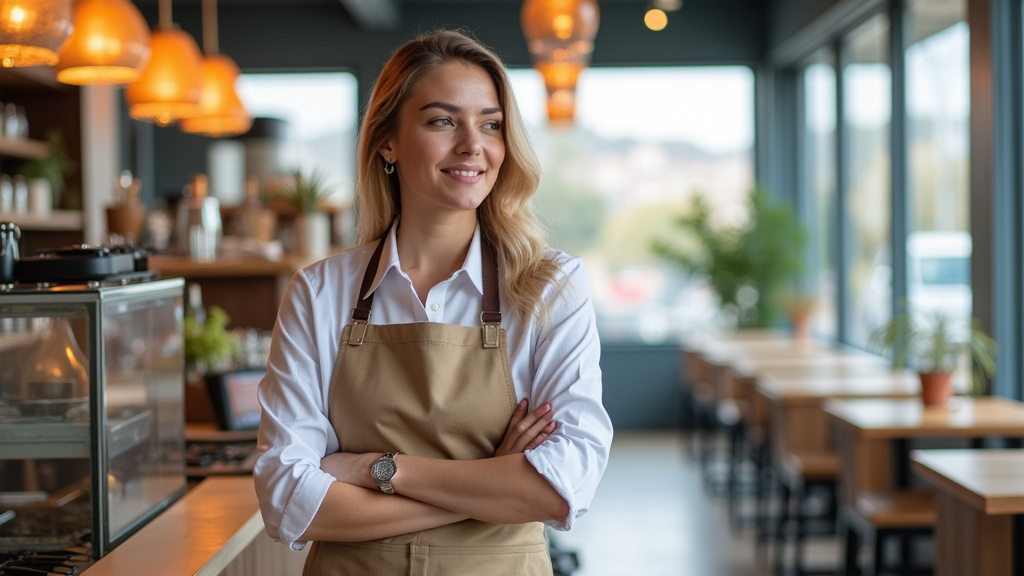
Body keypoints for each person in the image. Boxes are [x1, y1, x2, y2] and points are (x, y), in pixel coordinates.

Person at [253, 28, 613, 575]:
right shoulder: (318, 293)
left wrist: (379, 469)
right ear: (388, 142)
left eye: (490, 124)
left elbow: (563, 485)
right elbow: (287, 501)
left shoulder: (551, 287)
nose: (472, 145)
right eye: (443, 121)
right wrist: (493, 481)